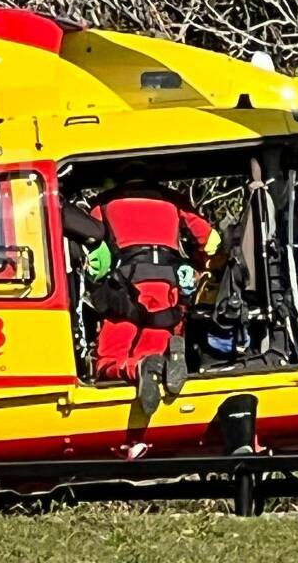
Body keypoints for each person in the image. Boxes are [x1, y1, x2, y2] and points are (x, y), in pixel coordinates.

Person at [89, 162, 219, 415]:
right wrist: (199, 266)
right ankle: (165, 358)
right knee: (156, 339)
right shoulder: (173, 199)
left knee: (109, 357)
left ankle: (137, 368)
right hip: (168, 286)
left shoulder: (103, 202)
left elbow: (91, 253)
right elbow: (211, 242)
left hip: (125, 288)